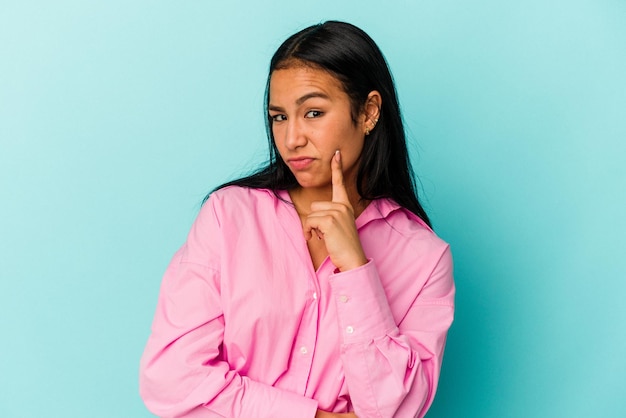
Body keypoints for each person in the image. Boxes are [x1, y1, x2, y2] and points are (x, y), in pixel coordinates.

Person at [139, 21, 455, 418]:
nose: (291, 139)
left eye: (313, 112)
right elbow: (170, 378)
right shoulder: (229, 216)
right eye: (279, 117)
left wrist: (355, 270)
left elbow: (394, 409)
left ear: (370, 112)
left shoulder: (424, 258)